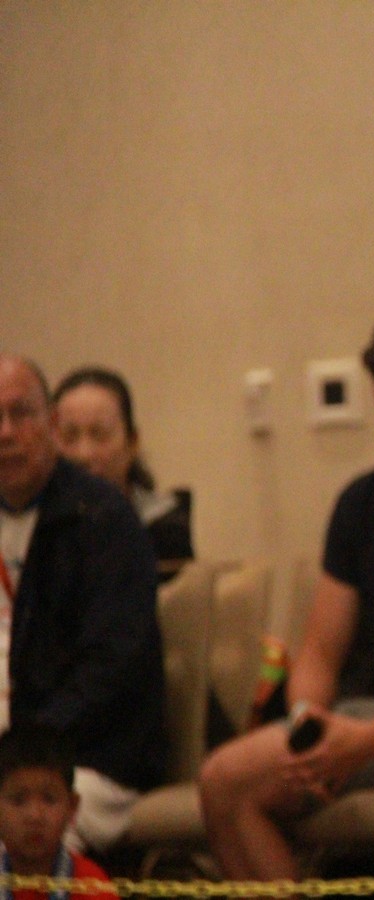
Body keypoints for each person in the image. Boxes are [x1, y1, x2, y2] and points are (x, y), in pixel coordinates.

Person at [198, 306, 374, 894]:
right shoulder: (360, 503)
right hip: (373, 717)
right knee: (223, 781)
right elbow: (317, 650)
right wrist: (310, 724)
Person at [0, 354, 166, 856]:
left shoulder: (101, 520)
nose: (5, 433)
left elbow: (110, 672)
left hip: (88, 759)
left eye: (20, 414)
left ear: (51, 424)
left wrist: (22, 750)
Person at [52, 366, 194, 582]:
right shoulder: (40, 529)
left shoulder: (163, 527)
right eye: (69, 437)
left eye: (99, 435)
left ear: (132, 443)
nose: (84, 454)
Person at [0, 724, 112, 900]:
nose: (35, 816)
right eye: (18, 800)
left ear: (72, 807)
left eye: (49, 799)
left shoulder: (93, 888)